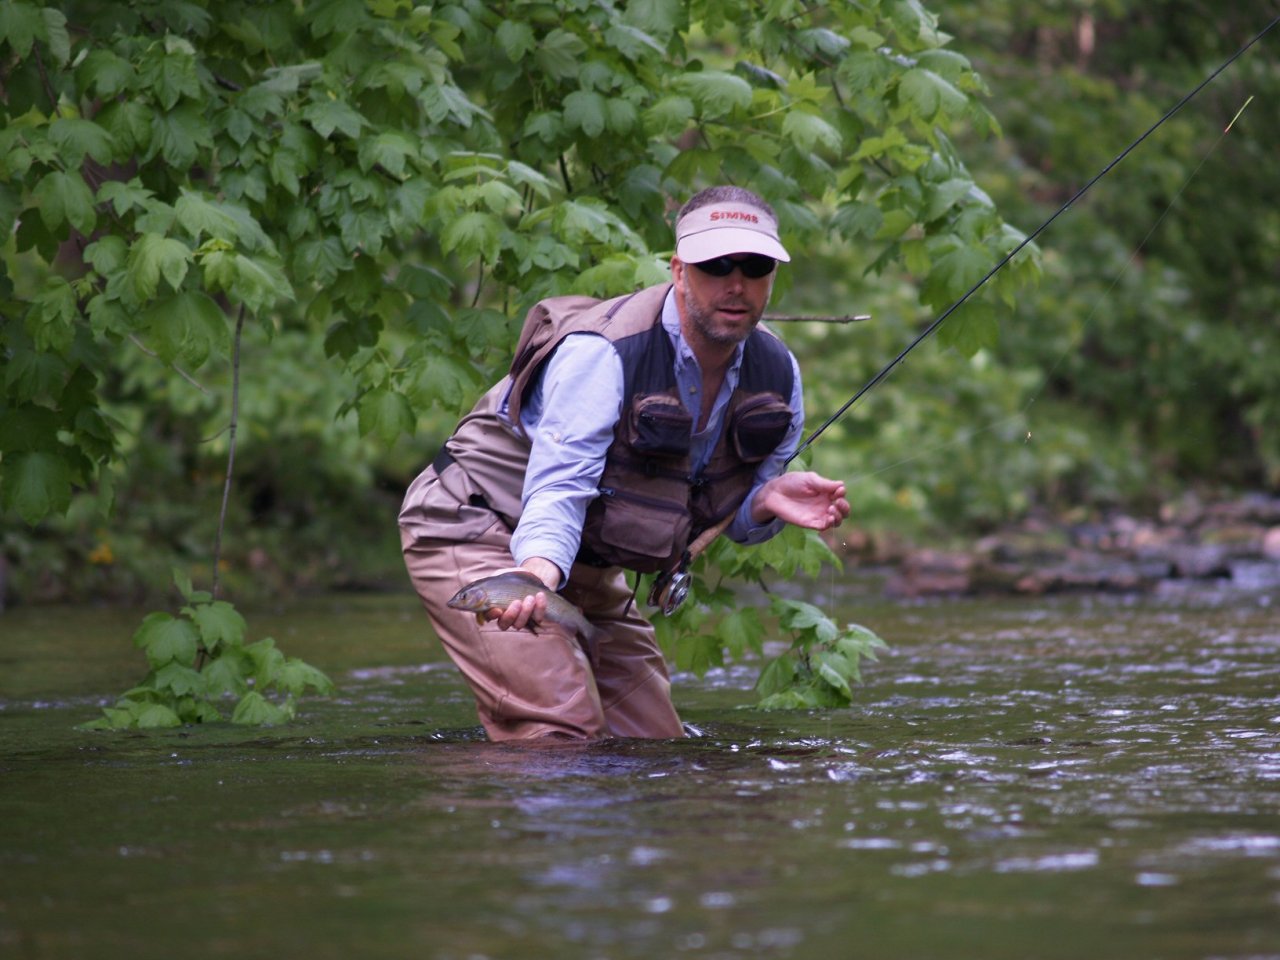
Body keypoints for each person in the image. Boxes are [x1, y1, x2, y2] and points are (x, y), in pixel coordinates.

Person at [399, 185, 849, 742]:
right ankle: (468, 813)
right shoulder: (603, 352)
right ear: (679, 270)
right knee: (560, 729)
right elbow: (561, 489)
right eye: (716, 265)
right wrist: (533, 578)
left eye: (755, 266)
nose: (736, 284)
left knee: (656, 747)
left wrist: (763, 502)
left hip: (586, 563)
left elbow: (733, 518)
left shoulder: (777, 371)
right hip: (478, 527)